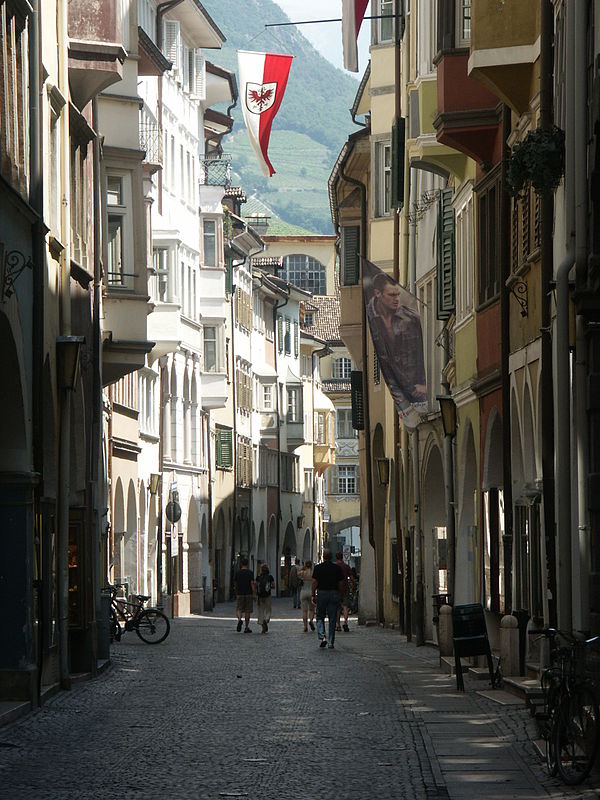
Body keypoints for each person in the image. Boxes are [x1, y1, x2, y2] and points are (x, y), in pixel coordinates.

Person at [365, 270, 426, 409]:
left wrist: (426, 386)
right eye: (391, 295)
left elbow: (424, 353)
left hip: (417, 395)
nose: (396, 299)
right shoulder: (369, 316)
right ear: (377, 293)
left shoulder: (411, 319)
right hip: (396, 392)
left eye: (398, 294)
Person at [311, 549, 345, 649]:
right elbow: (341, 583)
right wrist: (341, 595)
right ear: (332, 557)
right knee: (332, 618)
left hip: (322, 593)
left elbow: (314, 583)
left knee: (320, 616)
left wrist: (313, 594)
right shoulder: (337, 568)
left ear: (323, 556)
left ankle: (322, 636)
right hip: (334, 593)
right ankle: (330, 642)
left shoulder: (318, 568)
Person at [234, 556, 255, 633]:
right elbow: (252, 583)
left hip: (240, 593)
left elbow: (235, 584)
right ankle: (246, 627)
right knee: (247, 611)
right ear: (247, 564)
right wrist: (254, 593)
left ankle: (239, 619)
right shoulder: (250, 573)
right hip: (248, 593)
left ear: (241, 564)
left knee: (239, 609)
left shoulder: (238, 573)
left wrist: (236, 592)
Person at [335, 551, 355, 633]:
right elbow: (352, 578)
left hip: (336, 589)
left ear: (336, 558)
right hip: (345, 588)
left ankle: (338, 625)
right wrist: (353, 586)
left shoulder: (335, 567)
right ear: (342, 557)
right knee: (345, 606)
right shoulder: (346, 566)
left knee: (338, 608)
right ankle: (345, 623)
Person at [256, 563, 275, 633]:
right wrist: (269, 587)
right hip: (267, 595)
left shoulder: (258, 577)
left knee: (261, 611)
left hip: (260, 596)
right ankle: (266, 620)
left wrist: (256, 595)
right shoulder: (270, 577)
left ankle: (262, 624)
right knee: (268, 610)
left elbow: (256, 586)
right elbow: (273, 586)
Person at [298, 560, 315, 632]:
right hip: (311, 591)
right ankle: (311, 620)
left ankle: (305, 626)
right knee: (311, 609)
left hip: (303, 592)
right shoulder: (312, 572)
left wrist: (302, 568)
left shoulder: (302, 573)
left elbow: (298, 573)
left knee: (304, 611)